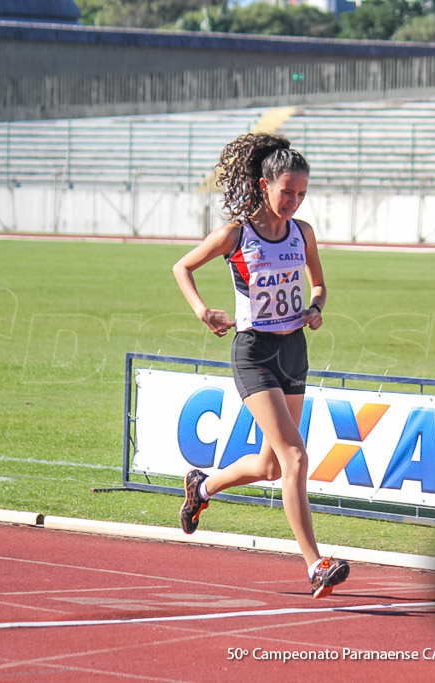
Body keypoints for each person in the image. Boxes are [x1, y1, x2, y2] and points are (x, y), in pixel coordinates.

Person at [172, 133, 349, 598]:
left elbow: (319, 285)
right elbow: (182, 268)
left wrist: (315, 308)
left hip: (294, 352)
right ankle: (316, 564)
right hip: (254, 354)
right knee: (295, 456)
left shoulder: (303, 233)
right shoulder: (236, 234)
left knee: (273, 466)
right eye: (287, 191)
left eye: (302, 194)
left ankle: (203, 486)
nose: (293, 201)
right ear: (264, 184)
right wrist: (202, 310)